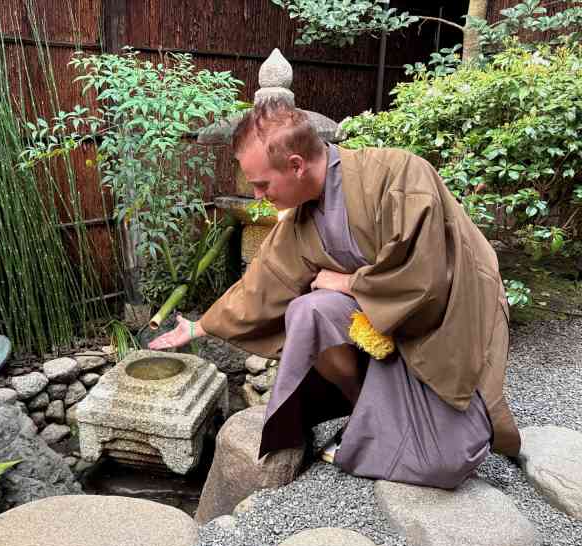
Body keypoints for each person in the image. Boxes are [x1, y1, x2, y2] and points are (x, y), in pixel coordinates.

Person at [149, 98, 520, 489]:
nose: (258, 196)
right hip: (381, 323)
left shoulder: (399, 174)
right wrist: (200, 328)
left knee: (446, 463)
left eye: (262, 184)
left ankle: (409, 426)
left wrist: (347, 282)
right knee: (310, 311)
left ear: (295, 165)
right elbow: (265, 282)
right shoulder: (304, 214)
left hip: (444, 320)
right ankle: (368, 414)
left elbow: (425, 278)